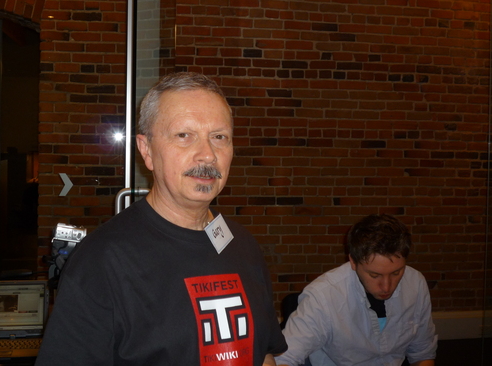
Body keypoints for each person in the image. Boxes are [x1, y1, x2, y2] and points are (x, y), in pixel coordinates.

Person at [36, 72, 287, 365]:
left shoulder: (244, 246)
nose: (207, 155)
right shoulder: (101, 262)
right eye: (184, 136)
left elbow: (262, 353)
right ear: (147, 150)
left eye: (219, 137)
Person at [276, 214, 437, 366]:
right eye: (374, 275)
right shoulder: (323, 296)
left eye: (396, 273)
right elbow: (285, 357)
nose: (387, 286)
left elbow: (423, 353)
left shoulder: (415, 283)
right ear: (353, 262)